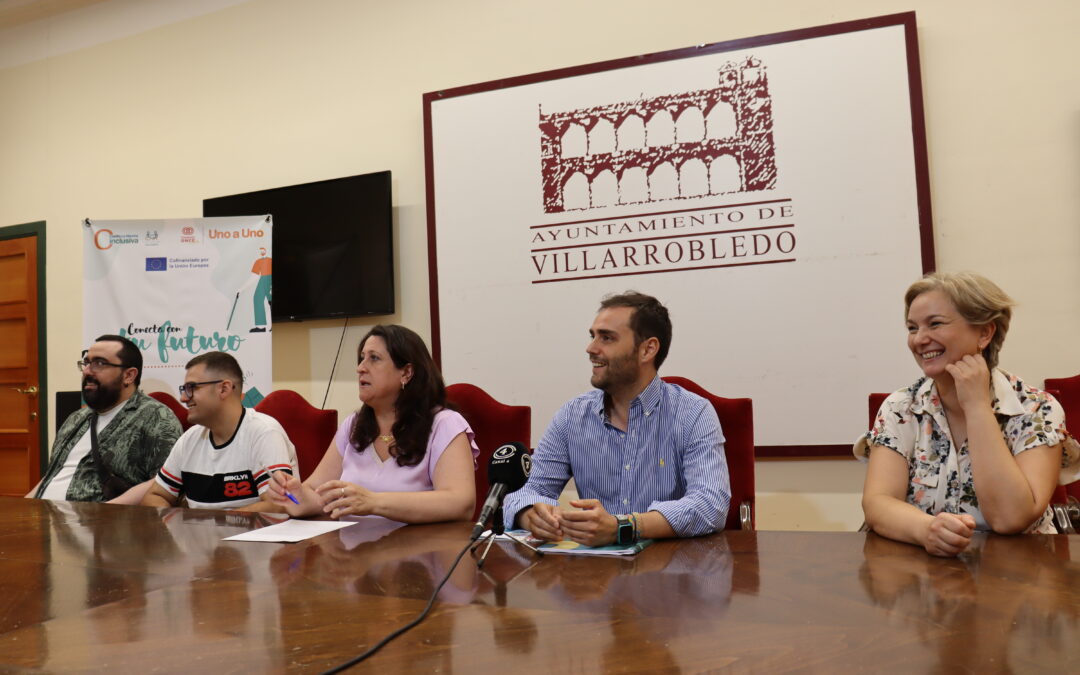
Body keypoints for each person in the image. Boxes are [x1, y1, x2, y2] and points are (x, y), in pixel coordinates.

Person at [857, 272, 1080, 556]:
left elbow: (1010, 518)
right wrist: (927, 530)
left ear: (985, 333)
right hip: (926, 572)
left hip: (1021, 576)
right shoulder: (900, 407)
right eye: (912, 328)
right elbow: (877, 503)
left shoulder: (1037, 408)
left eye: (935, 324)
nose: (919, 340)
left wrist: (976, 407)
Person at [503, 291, 730, 546]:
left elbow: (710, 505)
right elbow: (526, 491)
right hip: (595, 576)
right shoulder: (572, 416)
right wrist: (532, 515)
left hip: (671, 570)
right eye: (593, 336)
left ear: (647, 349)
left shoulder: (693, 413)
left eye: (607, 338)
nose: (591, 349)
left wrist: (624, 526)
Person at [267, 325, 478, 522]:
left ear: (406, 372)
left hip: (421, 555)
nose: (360, 368)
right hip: (355, 553)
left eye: (374, 358)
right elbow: (316, 493)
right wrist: (295, 495)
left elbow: (460, 502)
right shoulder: (354, 425)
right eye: (361, 359)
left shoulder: (444, 424)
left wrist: (374, 502)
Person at [27, 335, 182, 504]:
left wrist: (106, 512)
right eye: (86, 363)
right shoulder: (76, 418)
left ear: (129, 375)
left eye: (99, 363)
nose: (87, 371)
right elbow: (54, 474)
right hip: (45, 519)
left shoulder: (157, 417)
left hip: (102, 525)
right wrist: (24, 508)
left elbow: (163, 483)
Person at [142, 351, 297, 511]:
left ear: (224, 389)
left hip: (251, 536)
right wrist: (176, 526)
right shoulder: (189, 438)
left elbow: (279, 505)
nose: (183, 398)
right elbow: (155, 495)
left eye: (191, 388)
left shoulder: (264, 432)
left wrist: (211, 526)